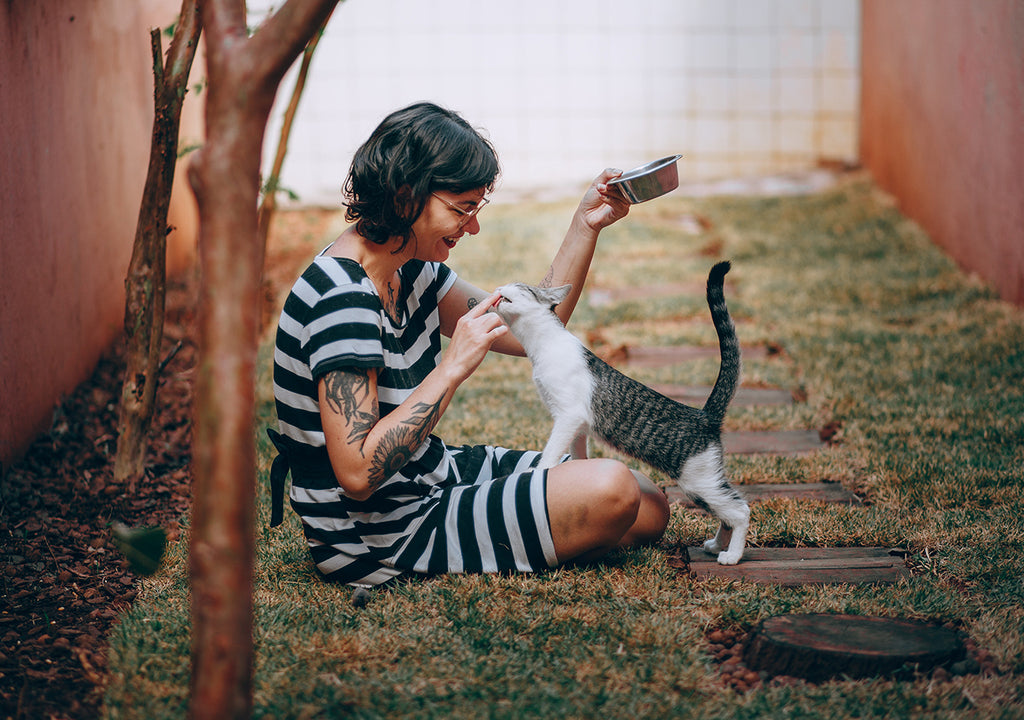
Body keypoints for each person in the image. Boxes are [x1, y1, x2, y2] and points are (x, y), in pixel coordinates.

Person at [269, 102, 669, 587]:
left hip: (430, 476)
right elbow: (356, 473)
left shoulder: (412, 269)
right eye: (461, 210)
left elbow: (534, 328)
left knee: (647, 504)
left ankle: (550, 526)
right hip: (380, 532)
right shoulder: (343, 301)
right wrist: (452, 367)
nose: (472, 227)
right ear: (404, 197)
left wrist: (585, 225)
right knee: (612, 489)